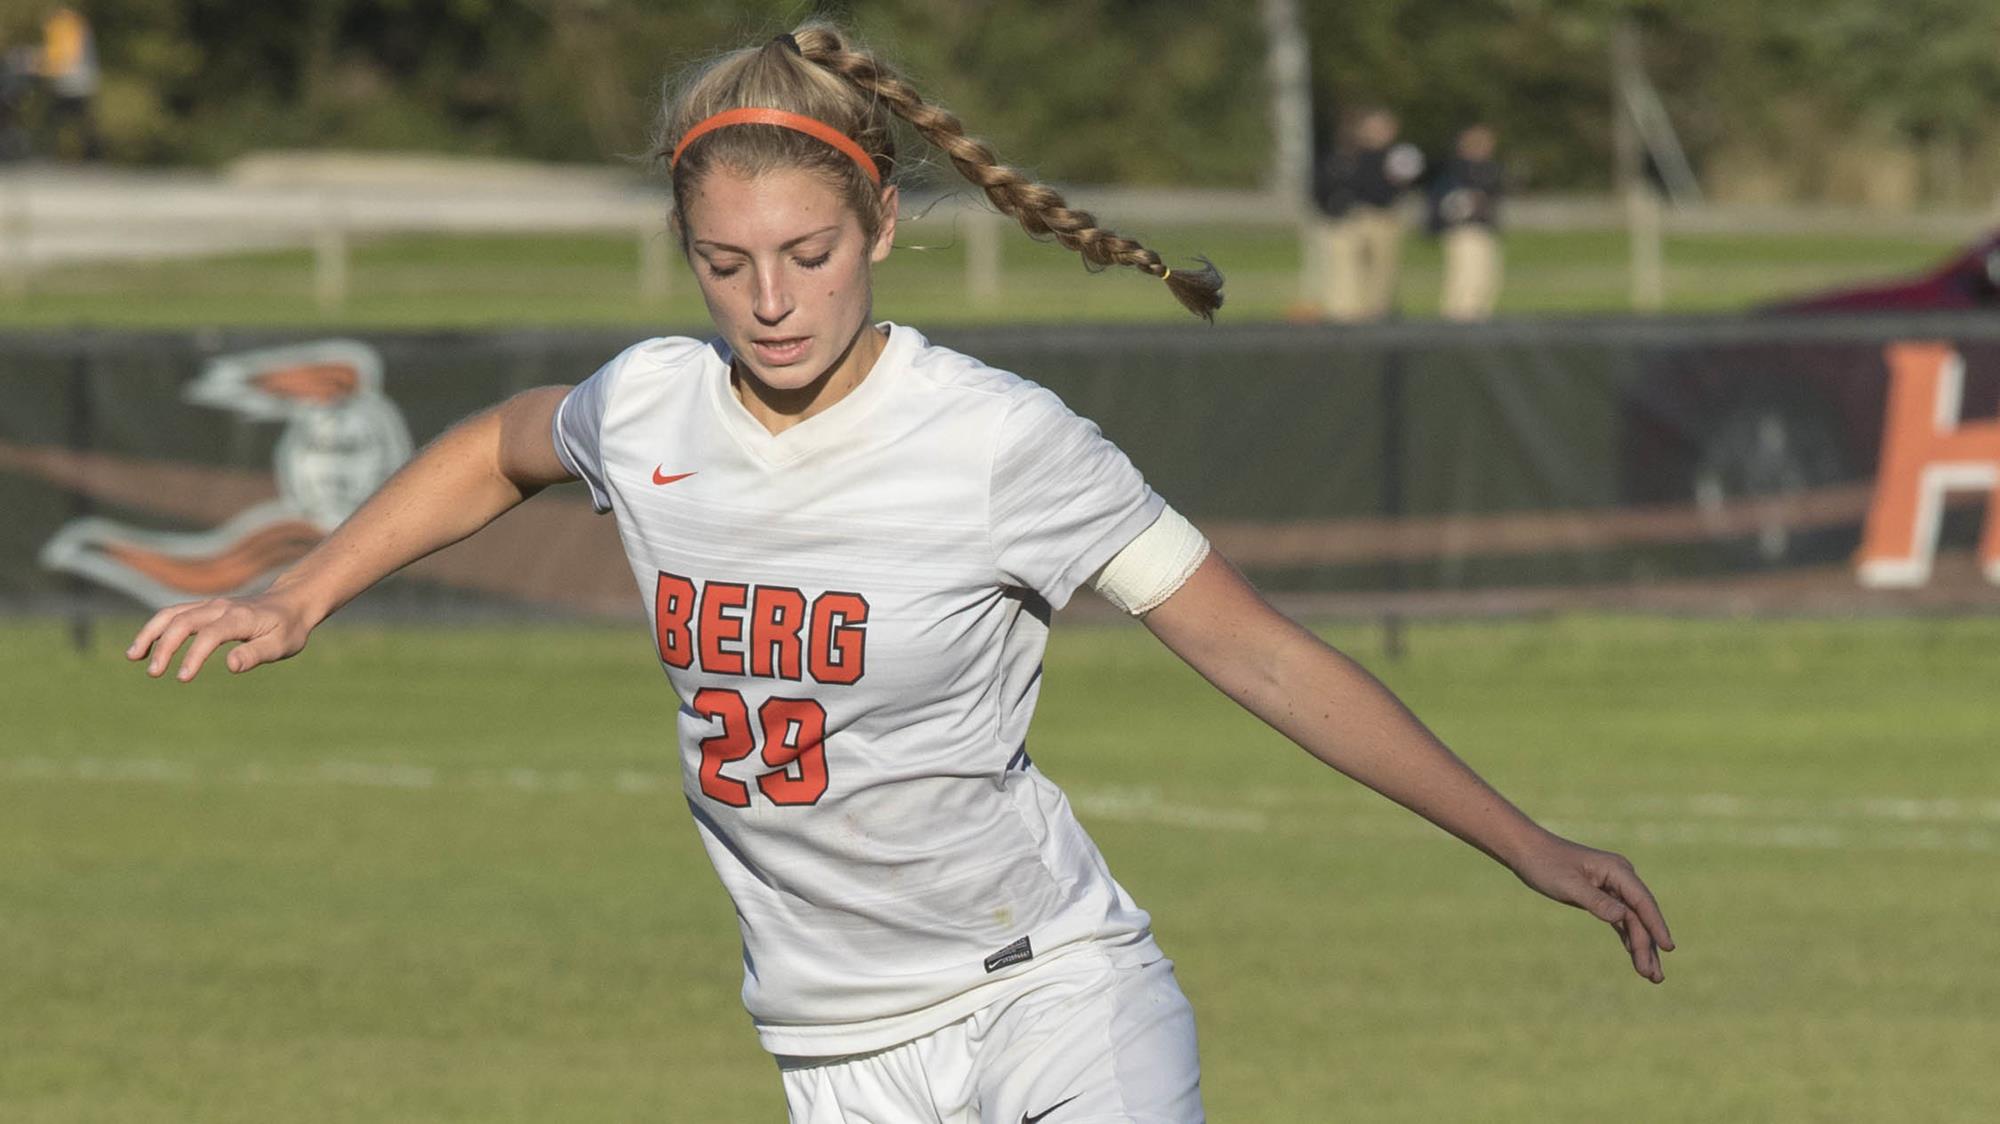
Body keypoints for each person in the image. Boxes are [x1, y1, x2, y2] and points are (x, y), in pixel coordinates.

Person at [126, 21, 1673, 1123]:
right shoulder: (652, 405)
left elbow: (1258, 650)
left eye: (808, 253)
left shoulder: (997, 441)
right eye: (727, 265)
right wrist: (297, 592)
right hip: (831, 1051)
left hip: (1052, 1000)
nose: (771, 300)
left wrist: (1521, 843)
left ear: (879, 220)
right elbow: (495, 446)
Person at [1311, 107, 1425, 322]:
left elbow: (1400, 187)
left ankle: (1377, 313)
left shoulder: (1397, 156)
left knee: (1382, 272)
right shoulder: (1349, 155)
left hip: (1383, 218)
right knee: (1345, 271)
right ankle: (1345, 316)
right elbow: (1325, 187)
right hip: (1351, 219)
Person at [1431, 124, 1506, 321]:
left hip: (1483, 231)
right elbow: (1446, 203)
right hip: (1464, 232)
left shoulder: (1487, 169)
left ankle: (1477, 319)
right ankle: (1458, 323)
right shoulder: (1455, 172)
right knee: (1465, 279)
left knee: (1486, 279)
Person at [35, 4, 98, 161]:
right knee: (77, 121)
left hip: (74, 83)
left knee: (59, 119)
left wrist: (41, 67)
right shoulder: (72, 25)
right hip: (78, 82)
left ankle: (89, 155)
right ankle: (91, 155)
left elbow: (65, 57)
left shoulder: (67, 27)